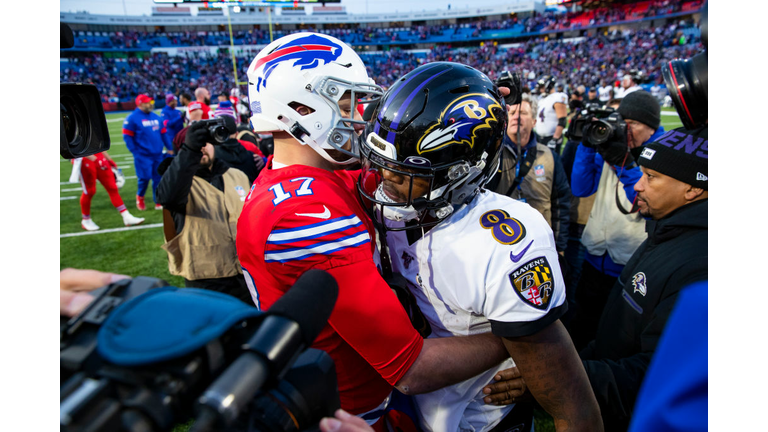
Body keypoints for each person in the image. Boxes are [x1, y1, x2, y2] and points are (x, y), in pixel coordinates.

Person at [236, 33, 511, 426]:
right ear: (302, 108)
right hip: (352, 414)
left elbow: (402, 182)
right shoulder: (307, 214)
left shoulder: (303, 182)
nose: (361, 116)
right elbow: (412, 368)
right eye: (348, 102)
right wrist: (519, 337)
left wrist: (466, 113)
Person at [358, 62, 601, 432]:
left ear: (462, 172)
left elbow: (575, 408)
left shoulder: (506, 242)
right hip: (411, 410)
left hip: (478, 420)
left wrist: (520, 341)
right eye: (383, 163)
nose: (386, 177)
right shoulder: (386, 200)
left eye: (409, 171)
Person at [482, 126, 708, 431]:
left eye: (651, 177)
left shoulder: (701, 266)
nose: (638, 185)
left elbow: (660, 373)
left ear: (693, 189)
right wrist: (573, 364)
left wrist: (562, 380)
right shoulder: (667, 230)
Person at [567, 90, 666, 351]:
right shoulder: (613, 143)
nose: (626, 130)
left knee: (617, 337)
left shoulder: (663, 154)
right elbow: (580, 187)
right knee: (581, 326)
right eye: (624, 122)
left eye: (633, 124)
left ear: (651, 127)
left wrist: (624, 163)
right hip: (595, 255)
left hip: (631, 263)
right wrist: (587, 146)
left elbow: (643, 205)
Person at [155, 121, 253, 303]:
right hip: (205, 278)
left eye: (206, 142)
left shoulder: (237, 175)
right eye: (196, 144)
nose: (202, 147)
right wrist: (190, 150)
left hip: (246, 273)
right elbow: (168, 197)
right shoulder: (179, 184)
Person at [487, 93, 571, 260]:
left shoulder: (549, 156)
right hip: (499, 243)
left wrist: (560, 247)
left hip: (540, 243)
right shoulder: (490, 154)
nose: (517, 117)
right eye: (512, 113)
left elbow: (560, 203)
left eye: (523, 113)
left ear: (534, 121)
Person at [122, 94, 173, 211]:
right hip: (143, 155)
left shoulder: (156, 117)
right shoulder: (132, 118)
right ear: (140, 104)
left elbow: (163, 133)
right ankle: (140, 196)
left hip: (157, 154)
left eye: (151, 102)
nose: (151, 104)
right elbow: (127, 137)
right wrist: (135, 152)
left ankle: (158, 200)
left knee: (158, 178)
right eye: (148, 102)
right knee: (144, 178)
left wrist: (169, 147)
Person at [72, 151, 145, 231]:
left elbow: (100, 145)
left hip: (99, 156)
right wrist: (93, 158)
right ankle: (86, 220)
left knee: (112, 187)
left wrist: (109, 159)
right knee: (89, 191)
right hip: (84, 158)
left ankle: (126, 216)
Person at [209, 104, 262, 184]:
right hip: (250, 189)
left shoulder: (211, 154)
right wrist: (264, 160)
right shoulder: (250, 148)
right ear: (237, 134)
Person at [533, 75, 568, 153]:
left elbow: (562, 120)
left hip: (551, 138)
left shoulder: (557, 97)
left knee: (552, 159)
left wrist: (555, 139)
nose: (541, 90)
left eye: (542, 87)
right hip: (539, 137)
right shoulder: (542, 98)